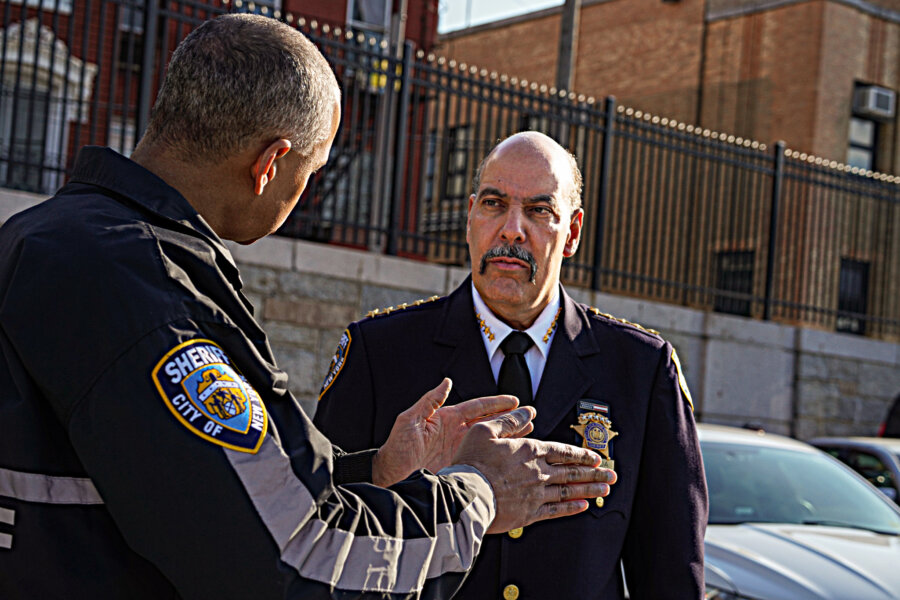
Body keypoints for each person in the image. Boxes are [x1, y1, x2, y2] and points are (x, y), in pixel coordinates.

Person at [0, 15, 616, 599]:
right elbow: (301, 559)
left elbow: (201, 483)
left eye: (539, 210)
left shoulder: (42, 239)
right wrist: (479, 492)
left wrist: (375, 470)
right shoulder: (148, 290)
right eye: (311, 170)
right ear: (269, 164)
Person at [315, 131, 708, 599]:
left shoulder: (640, 370)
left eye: (540, 211)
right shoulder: (380, 353)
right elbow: (319, 522)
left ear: (573, 233)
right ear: (470, 217)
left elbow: (670, 573)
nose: (511, 229)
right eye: (494, 204)